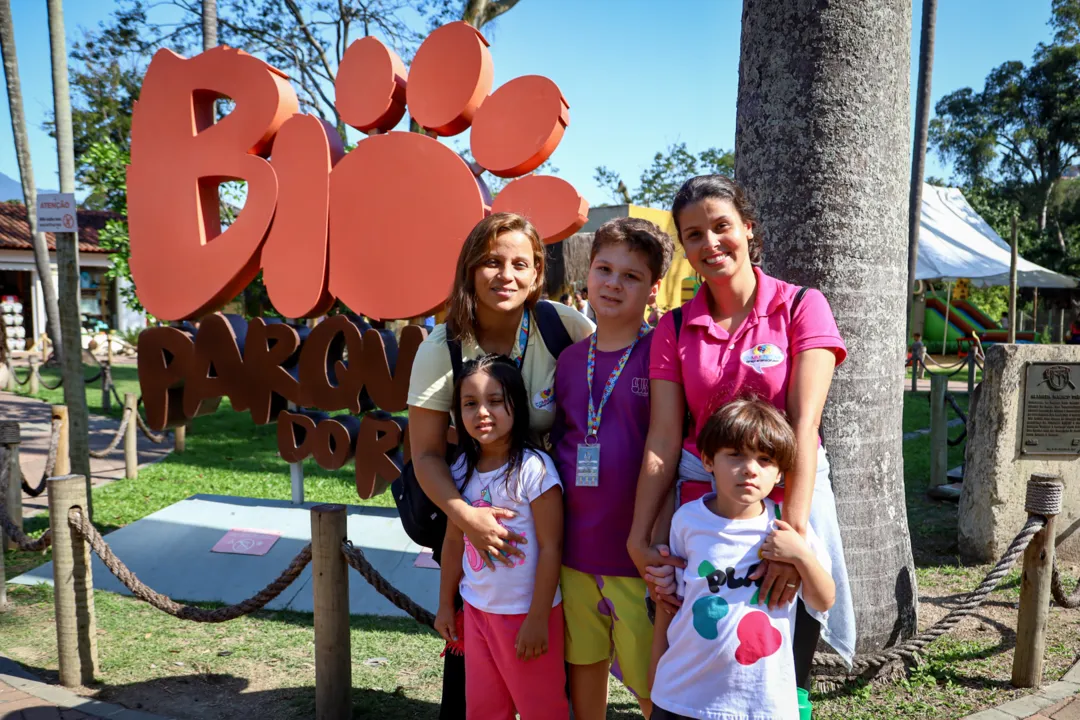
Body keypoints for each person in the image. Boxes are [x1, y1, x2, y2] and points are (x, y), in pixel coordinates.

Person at [626, 175, 856, 687]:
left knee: (780, 644)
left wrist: (790, 538)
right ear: (683, 246)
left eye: (721, 226)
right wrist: (639, 538)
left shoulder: (800, 305)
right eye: (692, 235)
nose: (709, 243)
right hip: (698, 500)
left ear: (748, 228)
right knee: (690, 643)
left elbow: (805, 422)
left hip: (788, 491)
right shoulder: (675, 325)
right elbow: (664, 437)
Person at [407, 212, 593, 717]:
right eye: (490, 261)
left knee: (554, 664)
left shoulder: (564, 327)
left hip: (561, 507)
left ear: (537, 273)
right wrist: (465, 517)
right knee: (473, 679)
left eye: (519, 263)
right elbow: (424, 453)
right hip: (474, 505)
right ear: (469, 270)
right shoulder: (441, 345)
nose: (505, 275)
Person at [549, 217, 674, 718]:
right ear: (588, 272)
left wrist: (654, 539)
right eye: (604, 269)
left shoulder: (661, 354)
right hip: (575, 549)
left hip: (637, 553)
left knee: (652, 687)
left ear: (652, 289)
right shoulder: (569, 359)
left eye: (631, 276)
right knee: (584, 675)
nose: (613, 283)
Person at [649, 398, 835, 720]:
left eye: (765, 460)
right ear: (708, 460)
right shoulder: (686, 521)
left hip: (761, 701)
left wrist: (801, 556)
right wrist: (656, 673)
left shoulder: (788, 532)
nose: (750, 469)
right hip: (683, 694)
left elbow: (824, 599)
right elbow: (672, 603)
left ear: (780, 473)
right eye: (735, 455)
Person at [434, 355, 567, 719]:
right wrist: (447, 604)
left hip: (526, 616)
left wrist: (538, 618)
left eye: (495, 400)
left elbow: (552, 545)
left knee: (542, 709)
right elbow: (451, 542)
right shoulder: (460, 468)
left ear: (516, 404)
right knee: (484, 709)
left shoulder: (534, 468)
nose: (482, 412)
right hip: (477, 614)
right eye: (470, 403)